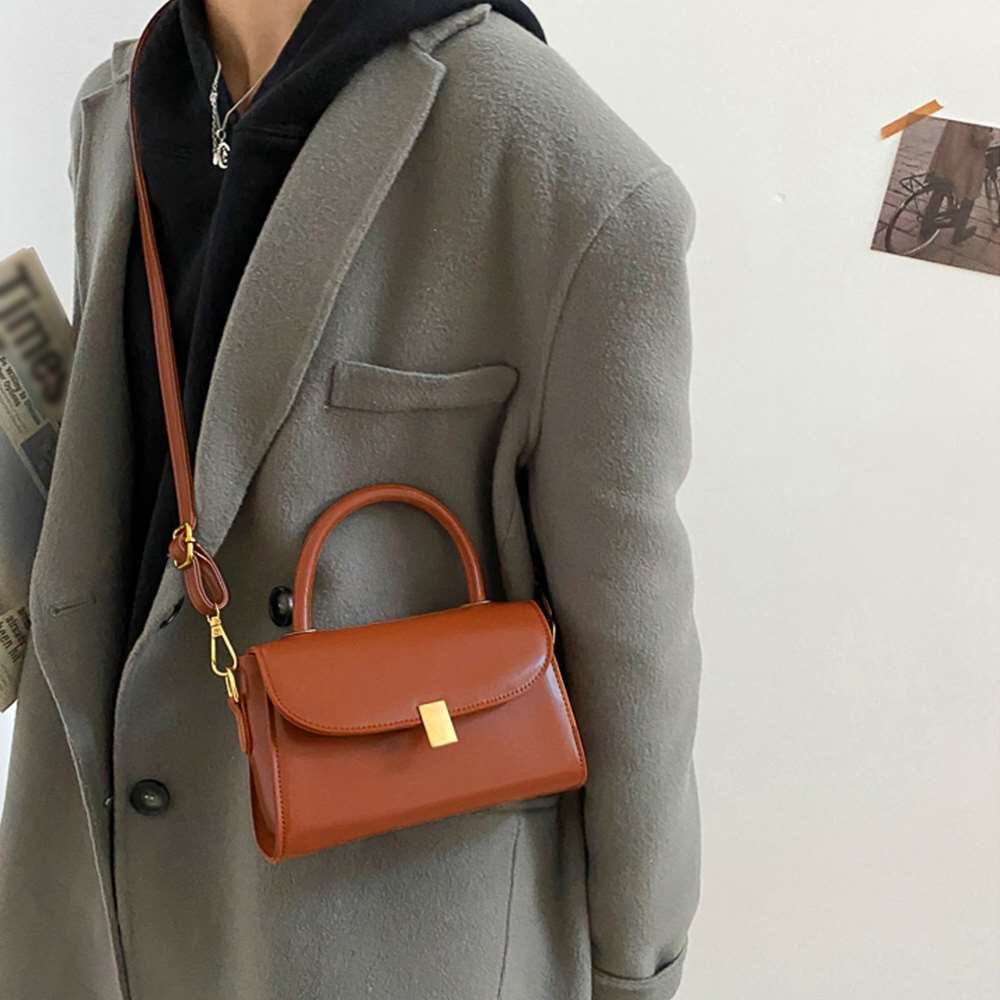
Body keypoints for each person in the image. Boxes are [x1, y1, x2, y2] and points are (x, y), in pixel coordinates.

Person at [0, 1, 702, 998]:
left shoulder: (563, 170)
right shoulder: (119, 105)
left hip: (372, 919)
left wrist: (634, 966)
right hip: (92, 880)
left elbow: (631, 637)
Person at [921, 119, 995, 244]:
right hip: (964, 160)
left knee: (939, 189)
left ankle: (926, 226)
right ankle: (959, 233)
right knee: (970, 193)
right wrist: (991, 136)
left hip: (947, 153)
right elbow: (979, 139)